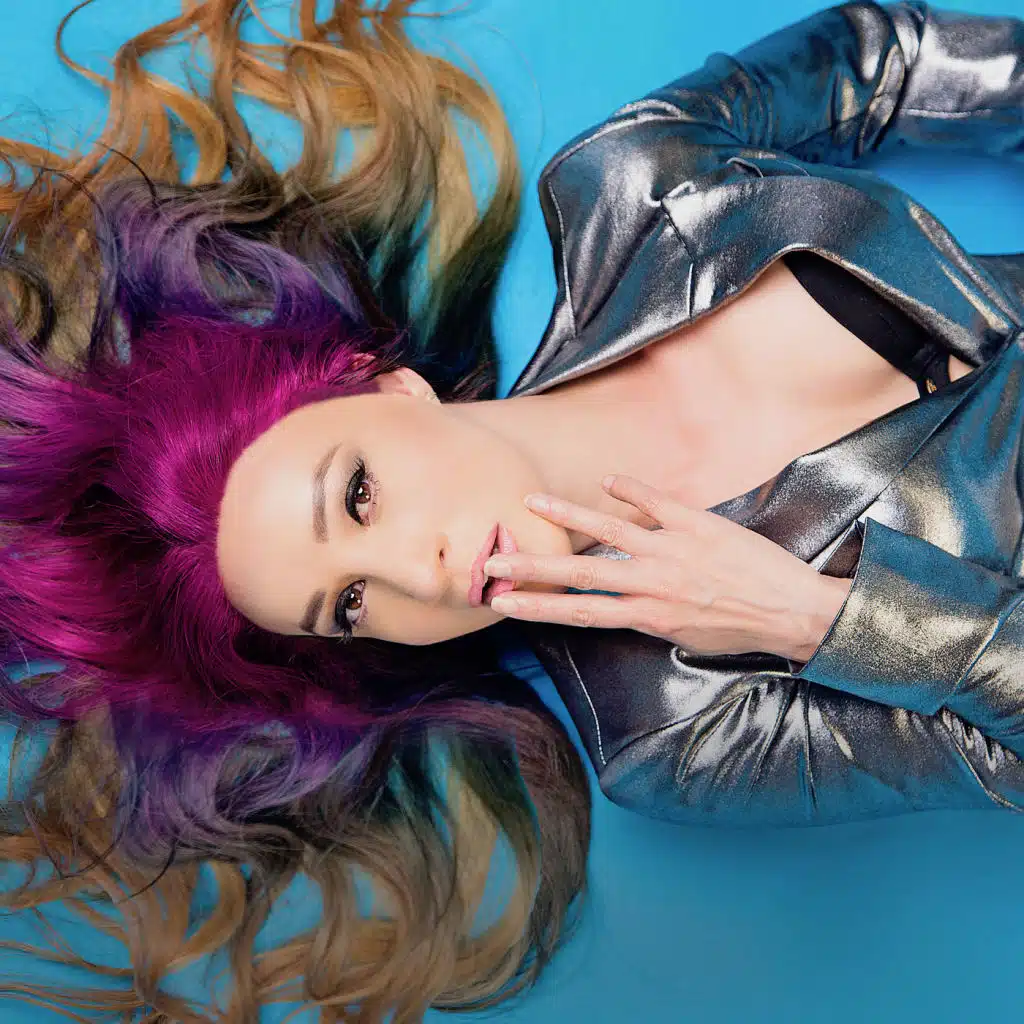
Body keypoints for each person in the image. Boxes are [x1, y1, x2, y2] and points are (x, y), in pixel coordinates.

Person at [0, 0, 1023, 1018]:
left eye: (359, 496)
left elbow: (882, 56)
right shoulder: (673, 731)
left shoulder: (631, 189)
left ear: (389, 387)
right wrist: (818, 618)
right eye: (350, 604)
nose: (421, 573)